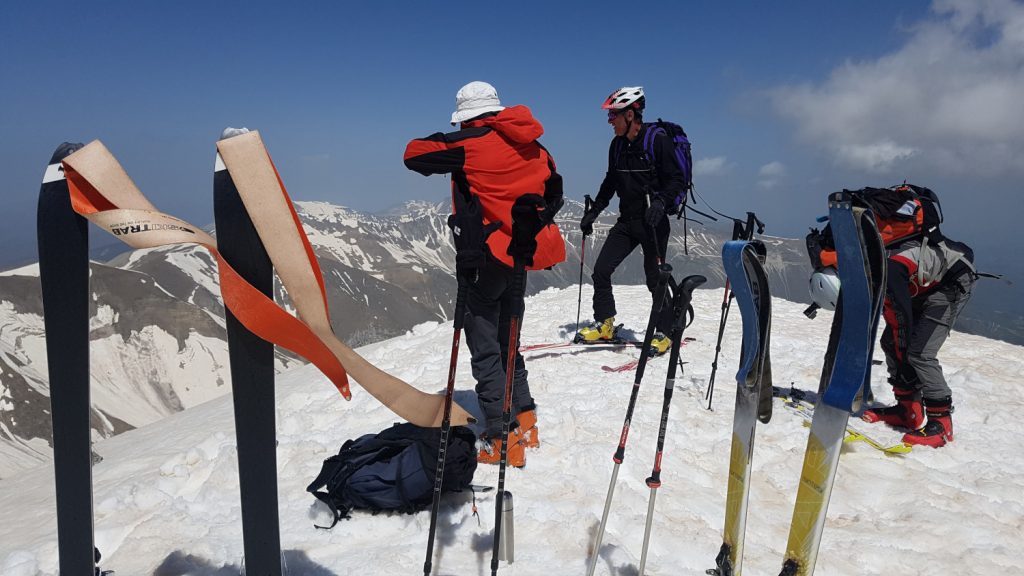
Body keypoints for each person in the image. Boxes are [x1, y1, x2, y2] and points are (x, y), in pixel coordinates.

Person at [404, 81, 565, 467]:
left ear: (468, 118)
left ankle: (500, 434)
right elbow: (554, 191)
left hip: (489, 257)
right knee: (510, 337)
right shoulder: (537, 148)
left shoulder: (470, 145)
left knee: (485, 342)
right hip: (521, 256)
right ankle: (525, 416)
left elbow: (414, 154)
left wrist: (460, 137)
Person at [576, 86, 686, 355]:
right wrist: (595, 211)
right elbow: (611, 181)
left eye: (613, 115)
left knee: (654, 279)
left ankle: (666, 331)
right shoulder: (617, 146)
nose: (609, 120)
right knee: (601, 270)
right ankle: (605, 324)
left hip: (653, 223)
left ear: (629, 114)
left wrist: (660, 202)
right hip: (627, 222)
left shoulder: (656, 140)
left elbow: (677, 179)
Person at [860, 234, 977, 447]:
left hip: (952, 284)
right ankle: (907, 410)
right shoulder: (873, 266)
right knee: (891, 342)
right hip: (924, 283)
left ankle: (941, 423)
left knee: (920, 352)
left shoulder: (889, 269)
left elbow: (900, 317)